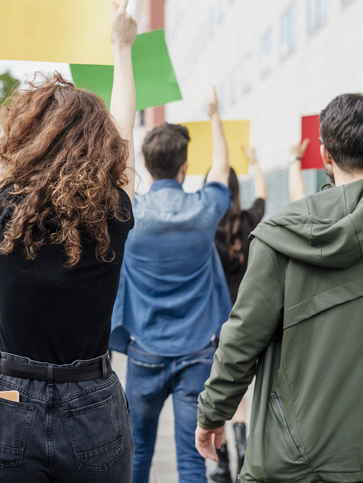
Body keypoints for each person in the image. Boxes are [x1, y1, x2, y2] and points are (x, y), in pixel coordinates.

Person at [195, 91, 363, 482]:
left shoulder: (277, 237)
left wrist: (212, 414)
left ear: (325, 155)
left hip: (309, 453)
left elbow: (241, 341)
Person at [0, 2, 138, 481]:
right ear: (101, 146)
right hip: (93, 399)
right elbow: (125, 131)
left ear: (23, 136)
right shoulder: (112, 210)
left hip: (11, 397)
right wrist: (121, 49)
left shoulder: (5, 206)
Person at [110, 87, 232, 483]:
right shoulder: (203, 210)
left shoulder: (133, 214)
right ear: (184, 166)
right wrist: (214, 116)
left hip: (145, 352)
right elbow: (220, 171)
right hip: (197, 353)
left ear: (145, 166)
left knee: (136, 451)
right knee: (193, 457)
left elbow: (120, 162)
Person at [208, 146, 267, 483]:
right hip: (242, 316)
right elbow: (263, 194)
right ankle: (243, 449)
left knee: (217, 387)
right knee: (241, 393)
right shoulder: (246, 220)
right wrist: (256, 162)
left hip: (213, 318)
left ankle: (221, 461)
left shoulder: (206, 226)